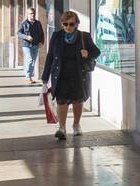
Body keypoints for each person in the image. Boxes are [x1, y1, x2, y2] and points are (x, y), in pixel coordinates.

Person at [41, 11, 99, 141]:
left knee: (78, 101)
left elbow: (97, 52)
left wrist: (88, 53)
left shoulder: (84, 36)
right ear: (62, 24)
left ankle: (76, 125)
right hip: (61, 75)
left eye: (71, 24)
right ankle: (62, 128)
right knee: (62, 101)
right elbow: (50, 57)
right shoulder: (56, 36)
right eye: (65, 24)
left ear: (77, 24)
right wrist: (45, 78)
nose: (68, 27)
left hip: (78, 74)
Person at [18, 8, 45, 84]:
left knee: (33, 60)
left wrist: (41, 42)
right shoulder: (24, 23)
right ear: (27, 14)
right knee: (30, 59)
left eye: (33, 13)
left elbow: (42, 34)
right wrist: (27, 37)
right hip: (26, 45)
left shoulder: (38, 23)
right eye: (30, 13)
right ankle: (28, 76)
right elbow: (19, 33)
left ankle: (29, 75)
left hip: (35, 44)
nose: (32, 15)